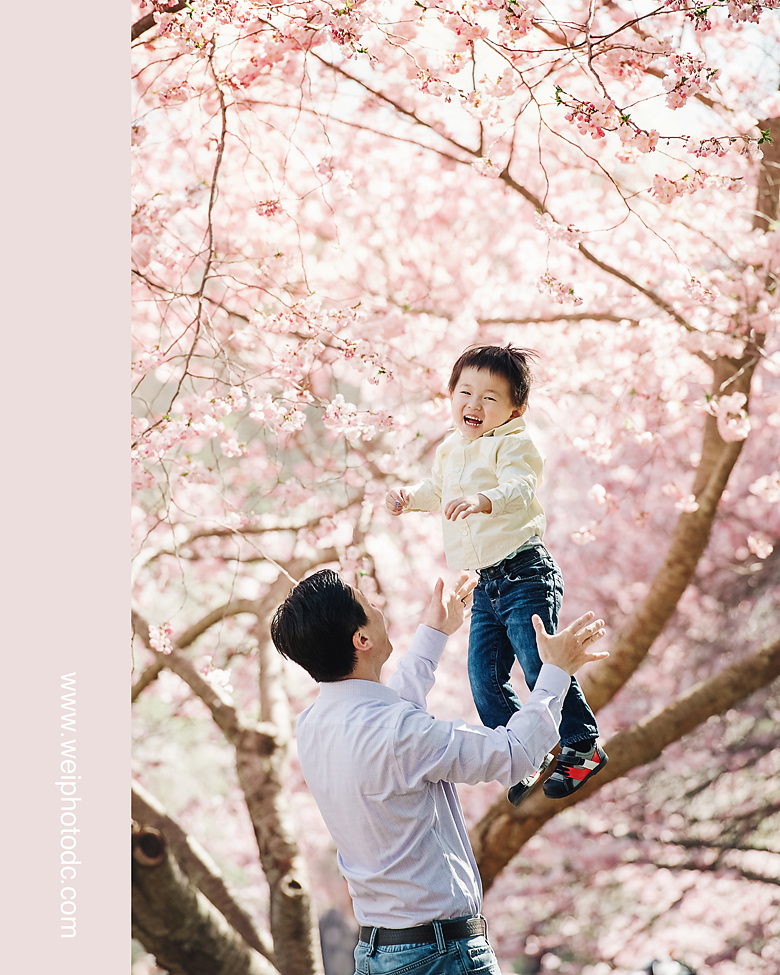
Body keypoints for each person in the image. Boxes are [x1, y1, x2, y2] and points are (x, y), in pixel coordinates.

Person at [270, 568, 607, 975]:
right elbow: (514, 754)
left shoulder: (312, 726)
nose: (378, 608)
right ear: (361, 639)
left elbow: (393, 718)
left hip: (376, 953)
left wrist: (436, 631)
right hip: (439, 955)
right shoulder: (397, 732)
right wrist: (556, 672)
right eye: (368, 605)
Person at [385, 345, 607, 806]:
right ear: (450, 396)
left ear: (514, 410)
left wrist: (486, 500)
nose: (474, 404)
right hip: (487, 583)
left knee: (537, 662)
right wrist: (411, 496)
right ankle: (525, 752)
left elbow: (520, 486)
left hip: (525, 572)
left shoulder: (515, 444)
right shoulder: (451, 450)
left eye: (490, 398)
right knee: (483, 676)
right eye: (465, 392)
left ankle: (582, 744)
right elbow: (438, 489)